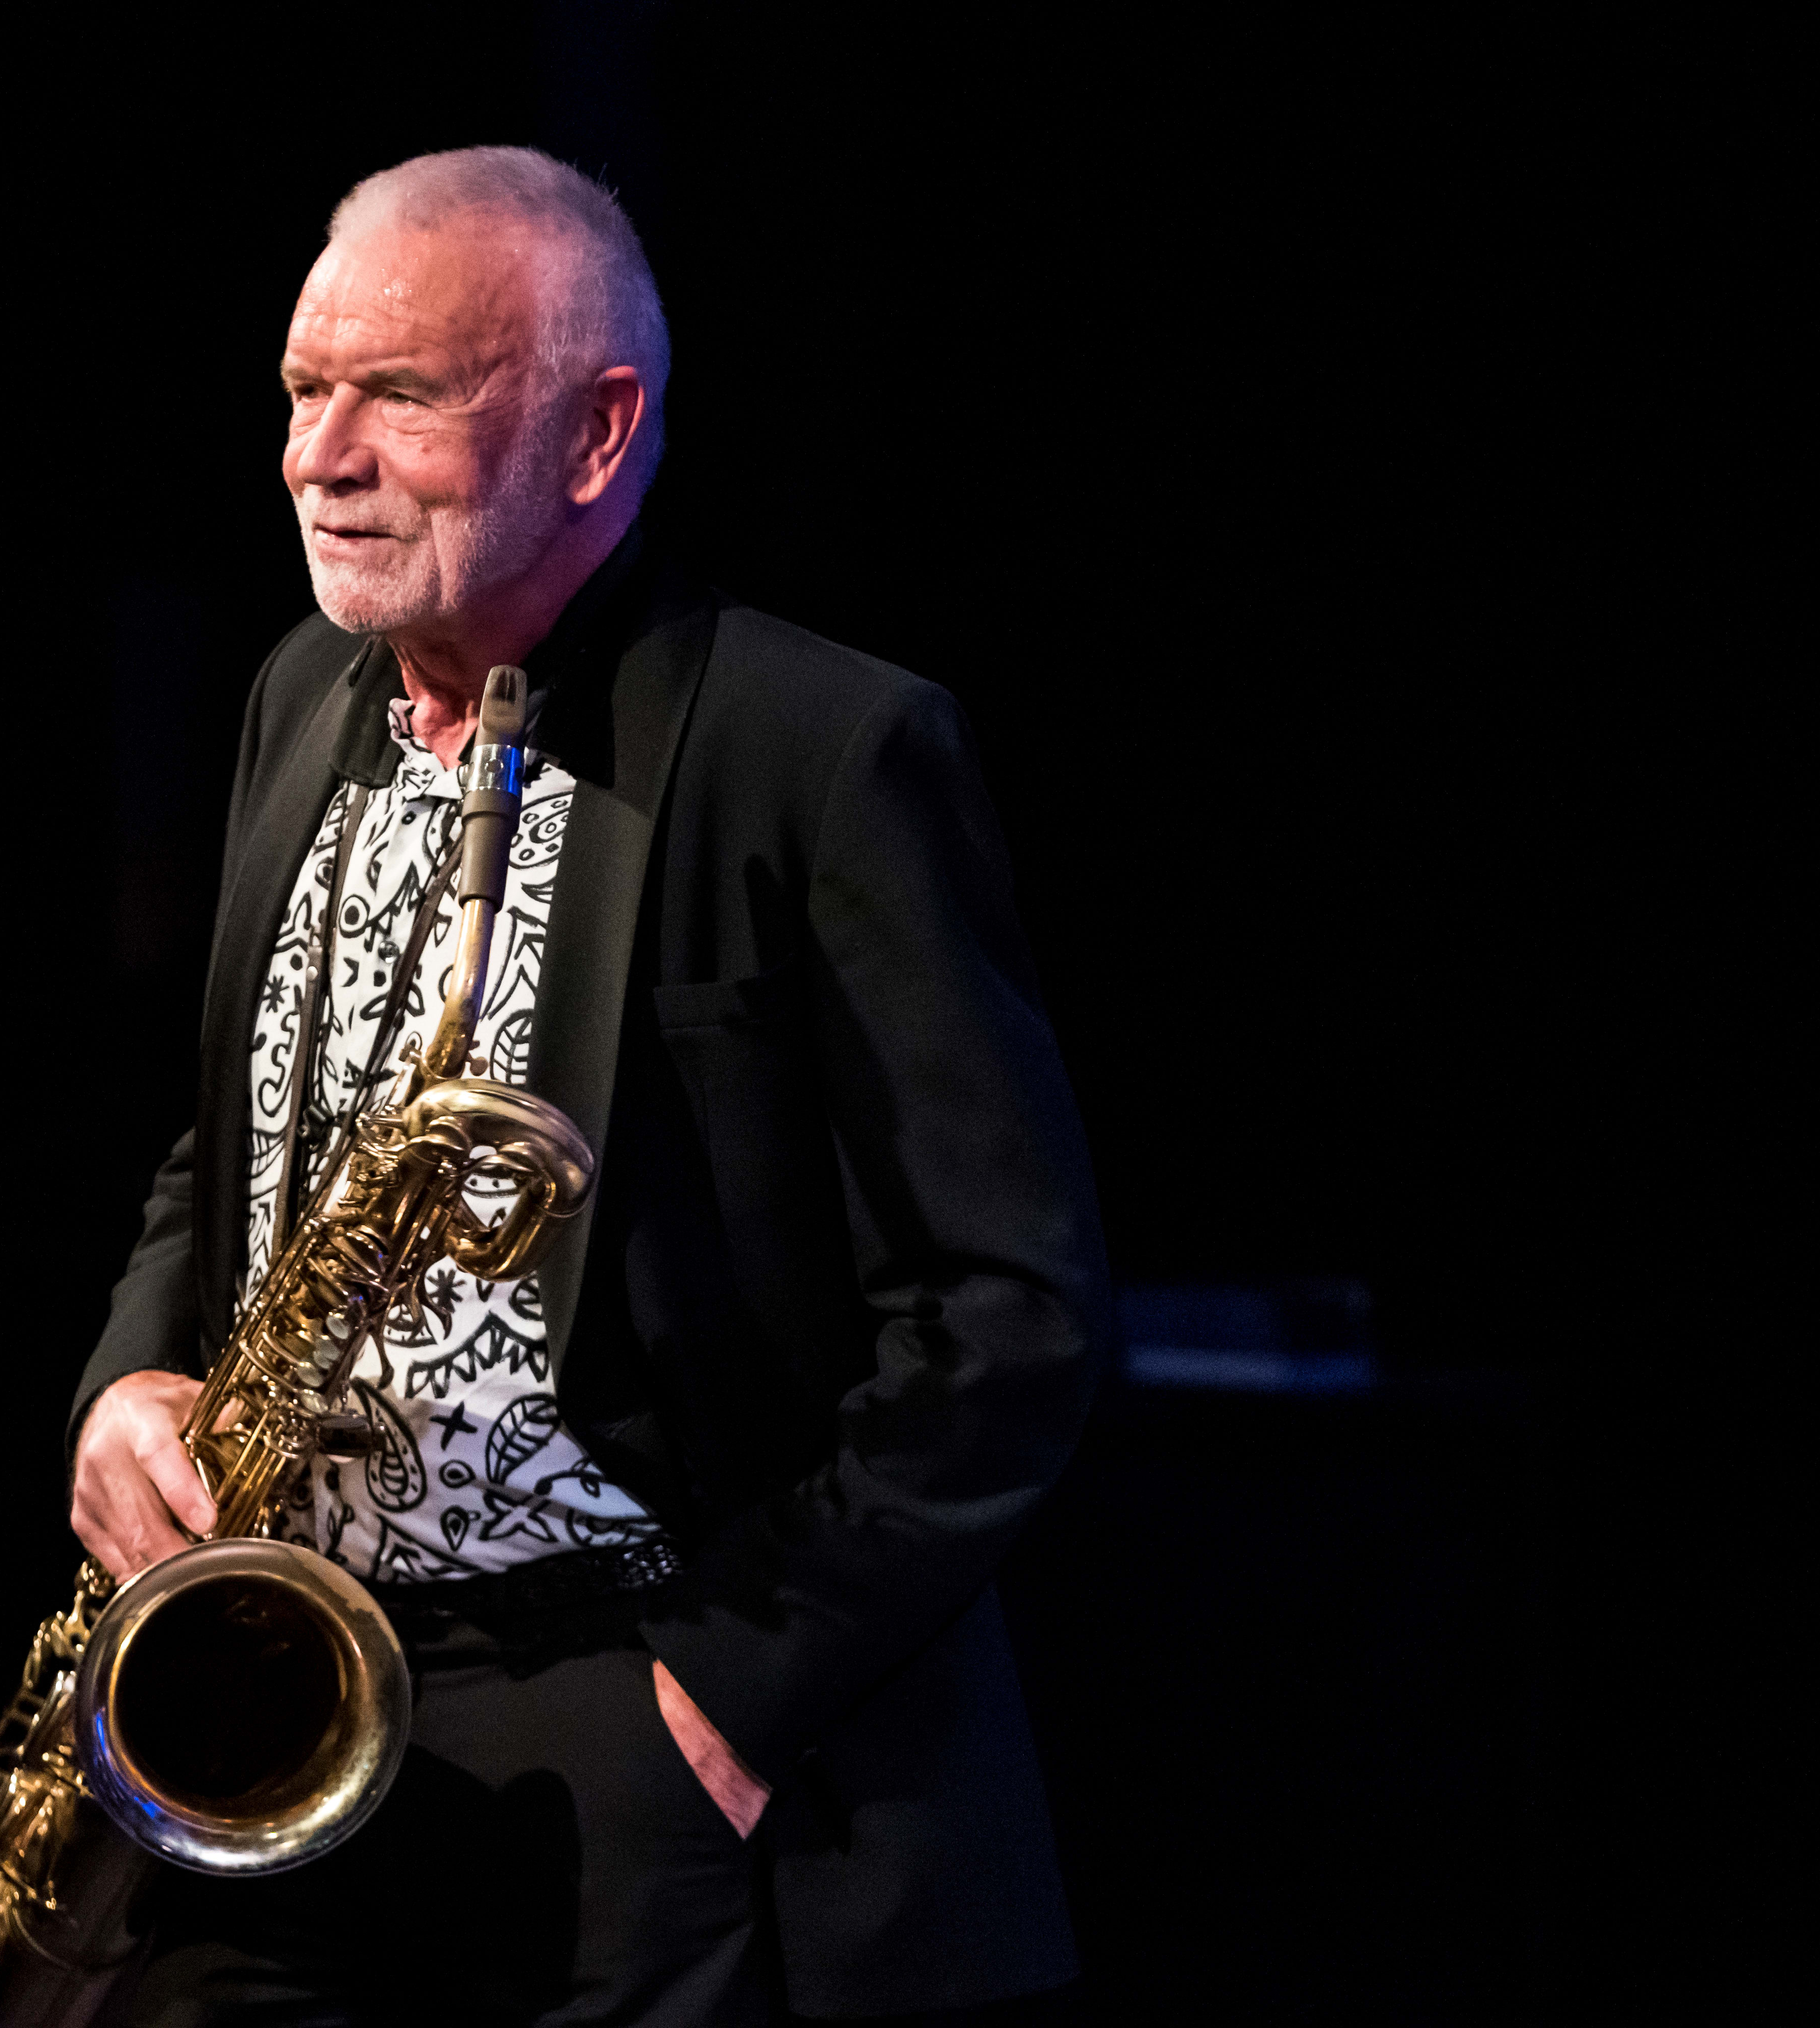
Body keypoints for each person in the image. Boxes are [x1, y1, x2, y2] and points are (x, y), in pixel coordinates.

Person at [68, 146, 1108, 2028]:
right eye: (304, 390)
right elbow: (234, 1136)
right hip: (294, 1672)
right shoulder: (298, 694)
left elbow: (1006, 1315)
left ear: (598, 430)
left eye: (399, 394)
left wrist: (724, 1692)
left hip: (646, 1696)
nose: (318, 457)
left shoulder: (827, 747)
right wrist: (134, 1376)